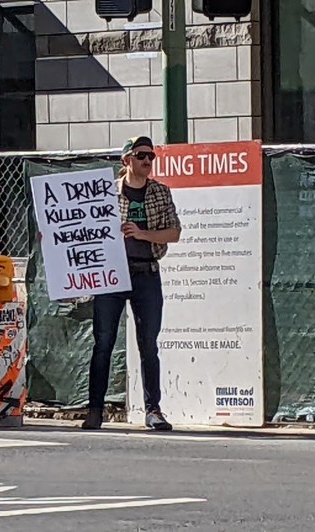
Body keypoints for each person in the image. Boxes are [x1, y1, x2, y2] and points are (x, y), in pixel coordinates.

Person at [82, 136, 182, 431]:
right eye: (141, 156)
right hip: (112, 274)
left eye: (151, 156)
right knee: (103, 343)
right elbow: (82, 229)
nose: (147, 162)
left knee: (148, 344)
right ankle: (95, 409)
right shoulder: (105, 193)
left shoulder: (160, 193)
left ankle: (153, 409)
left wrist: (142, 234)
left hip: (146, 272)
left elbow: (174, 233)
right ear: (127, 160)